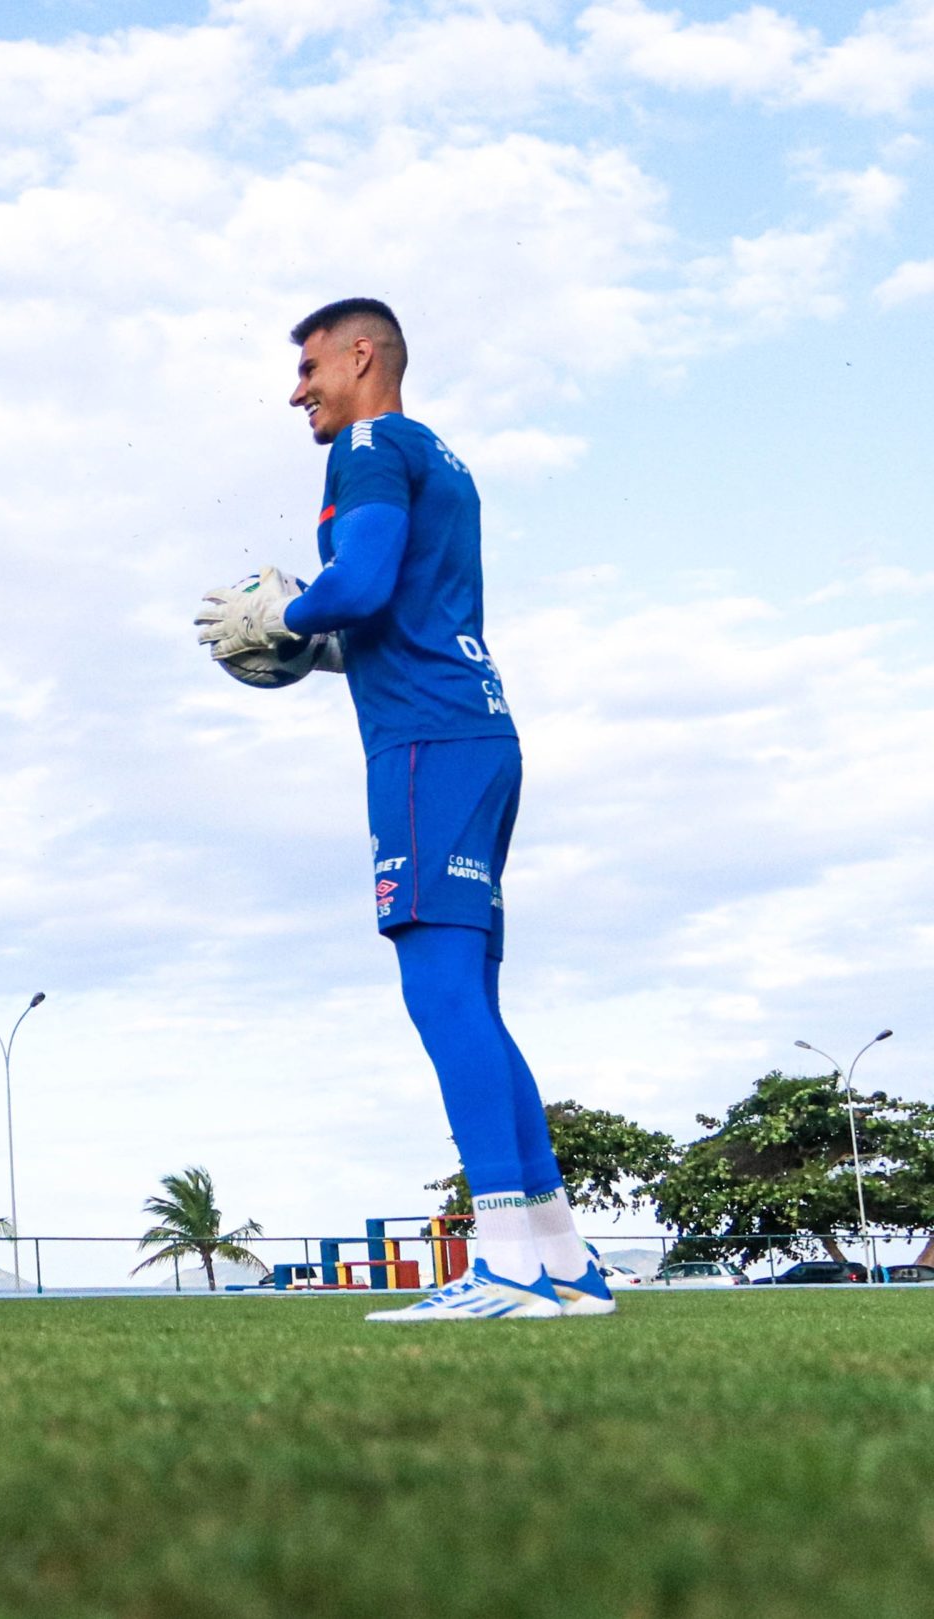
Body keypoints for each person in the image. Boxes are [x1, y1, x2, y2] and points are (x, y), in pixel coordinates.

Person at [197, 299, 613, 1322]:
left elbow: (362, 582)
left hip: (426, 745)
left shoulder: (370, 446)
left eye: (308, 368)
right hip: (477, 731)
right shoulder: (439, 454)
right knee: (469, 994)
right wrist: (323, 640)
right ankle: (562, 1262)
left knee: (438, 993)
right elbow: (397, 609)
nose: (297, 390)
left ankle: (507, 1260)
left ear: (361, 354)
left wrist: (282, 614)